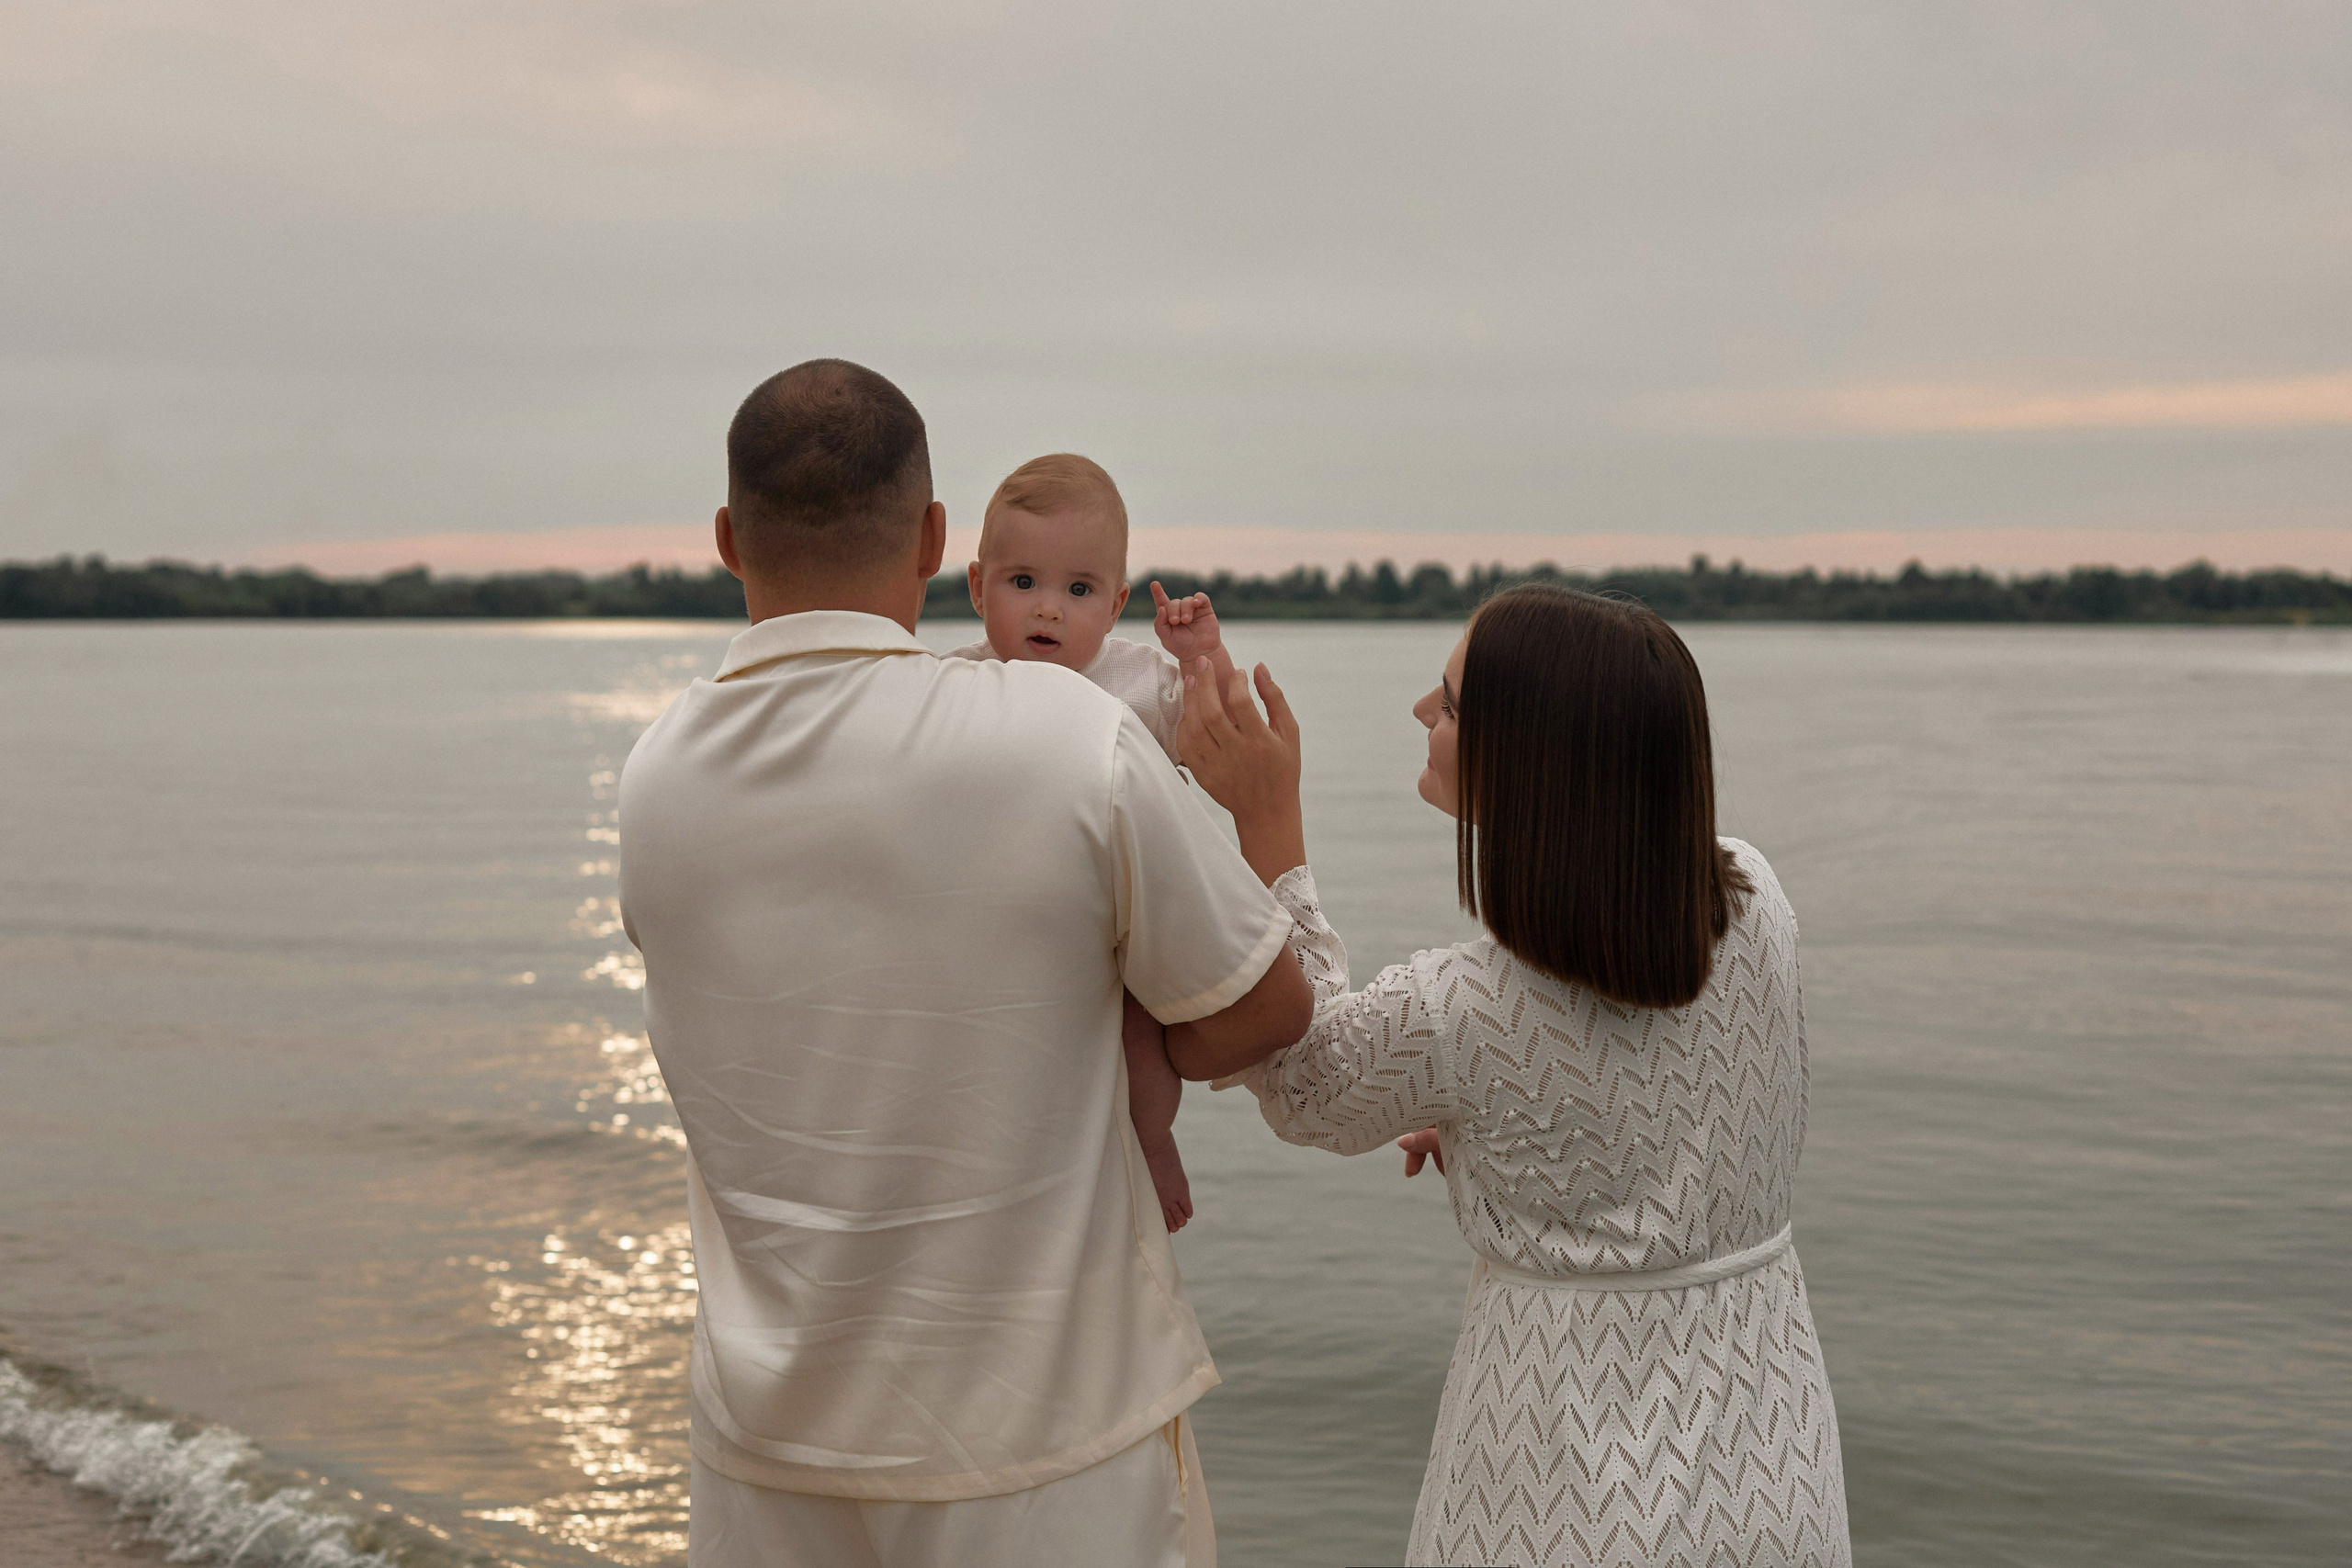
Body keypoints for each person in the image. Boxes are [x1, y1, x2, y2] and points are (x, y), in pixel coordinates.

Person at [617, 359, 1312, 1568]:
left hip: (763, 1455)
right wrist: (1264, 821)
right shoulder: (1065, 737)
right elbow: (1265, 1009)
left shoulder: (657, 773)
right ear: (941, 539)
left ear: (730, 538)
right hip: (1048, 1448)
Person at [1171, 584, 1852, 1567]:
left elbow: (1306, 1083)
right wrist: (1499, 1130)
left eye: (1447, 704)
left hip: (1553, 1469)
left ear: (1527, 760)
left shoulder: (1462, 1008)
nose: (1419, 712)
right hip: (1766, 1440)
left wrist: (1270, 825)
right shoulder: (1755, 900)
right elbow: (1657, 1086)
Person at [944, 452, 1230, 1232]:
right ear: (977, 588)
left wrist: (1200, 656)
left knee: (1144, 1043)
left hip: (1128, 913)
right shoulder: (956, 682)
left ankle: (1153, 1138)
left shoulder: (1136, 681)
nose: (1049, 610)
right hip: (1023, 915)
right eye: (1022, 582)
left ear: (1114, 605)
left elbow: (1218, 727)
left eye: (1079, 590)